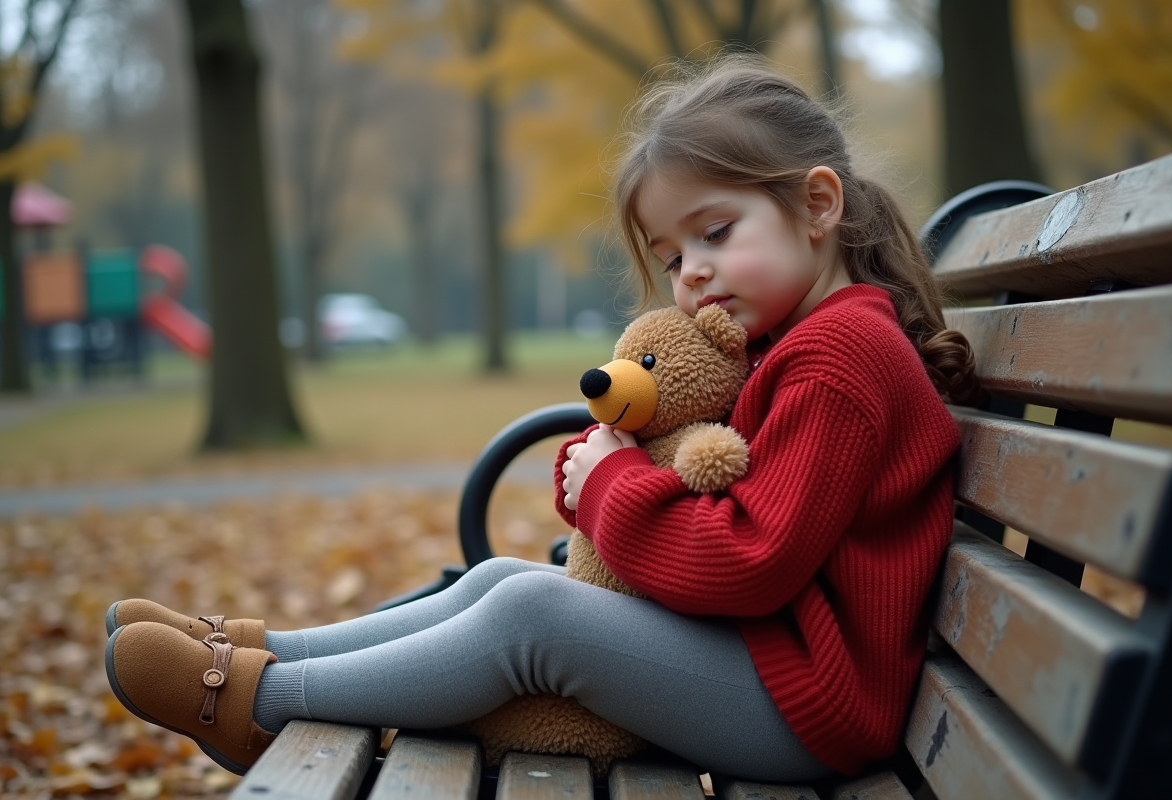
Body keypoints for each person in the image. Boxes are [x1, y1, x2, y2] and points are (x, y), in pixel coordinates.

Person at [104, 54, 979, 783]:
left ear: (818, 205)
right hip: (766, 664)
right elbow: (720, 503)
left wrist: (611, 488)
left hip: (812, 705)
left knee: (530, 615)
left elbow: (748, 561)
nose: (693, 274)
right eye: (674, 255)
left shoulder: (839, 359)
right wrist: (615, 470)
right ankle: (269, 653)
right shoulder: (801, 344)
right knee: (495, 586)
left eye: (716, 231)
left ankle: (253, 704)